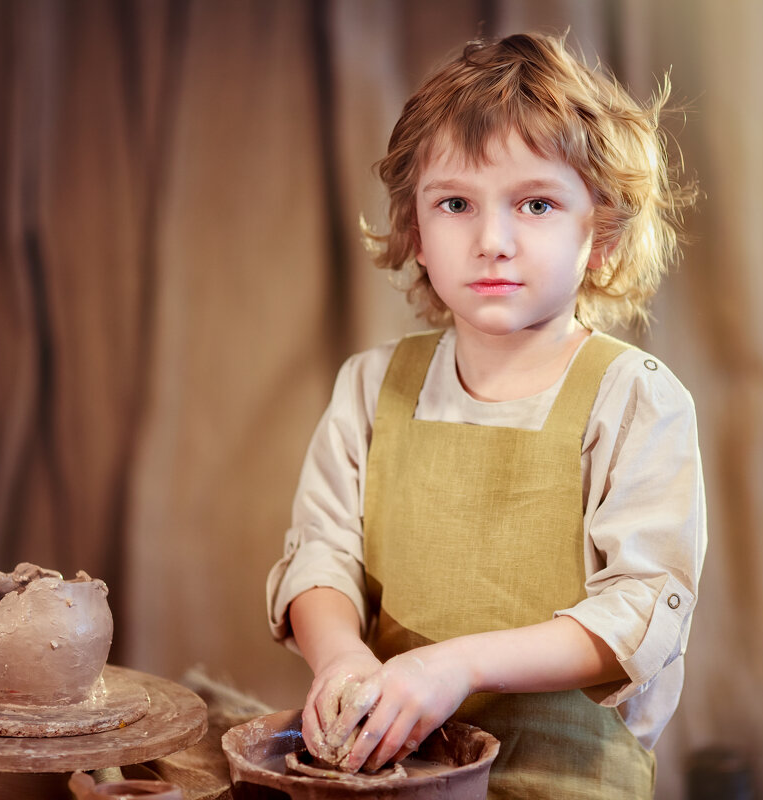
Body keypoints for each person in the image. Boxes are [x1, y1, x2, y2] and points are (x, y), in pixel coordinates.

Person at [266, 31, 705, 799]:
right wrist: (340, 656)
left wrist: (456, 664)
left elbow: (642, 607)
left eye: (536, 204)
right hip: (397, 771)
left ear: (599, 238)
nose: (492, 241)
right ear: (415, 231)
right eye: (456, 204)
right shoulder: (371, 387)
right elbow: (320, 554)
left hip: (563, 779)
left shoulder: (635, 398)